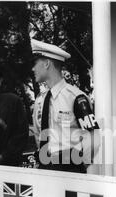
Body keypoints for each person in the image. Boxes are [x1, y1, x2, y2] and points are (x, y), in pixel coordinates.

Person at [31, 39, 100, 173]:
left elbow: (94, 137)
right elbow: (38, 135)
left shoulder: (75, 97)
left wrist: (78, 164)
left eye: (35, 64)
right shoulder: (40, 100)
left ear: (46, 64)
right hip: (45, 168)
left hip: (69, 168)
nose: (33, 69)